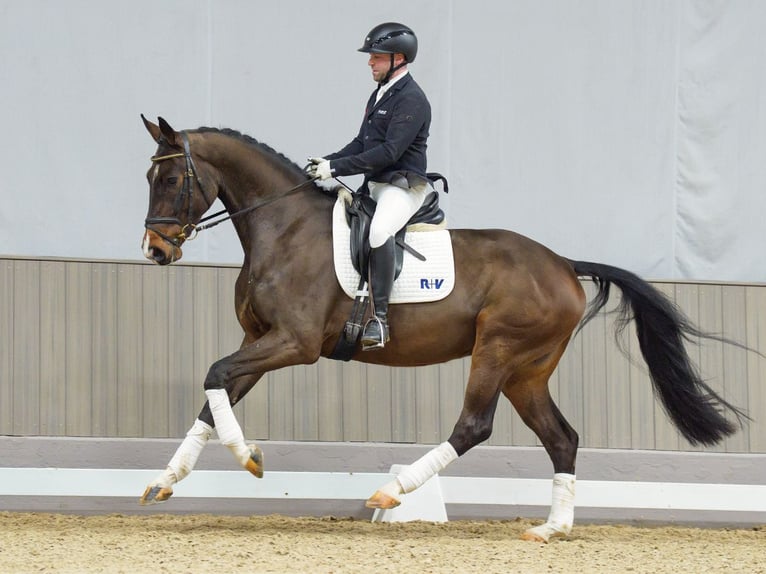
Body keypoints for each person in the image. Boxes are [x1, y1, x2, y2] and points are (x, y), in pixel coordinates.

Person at [307, 22, 432, 351]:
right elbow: (362, 143)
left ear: (399, 59)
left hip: (403, 187)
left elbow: (389, 152)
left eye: (376, 57)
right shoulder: (380, 93)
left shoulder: (412, 99)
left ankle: (380, 319)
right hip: (375, 183)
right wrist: (324, 161)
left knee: (378, 233)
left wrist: (335, 168)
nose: (370, 63)